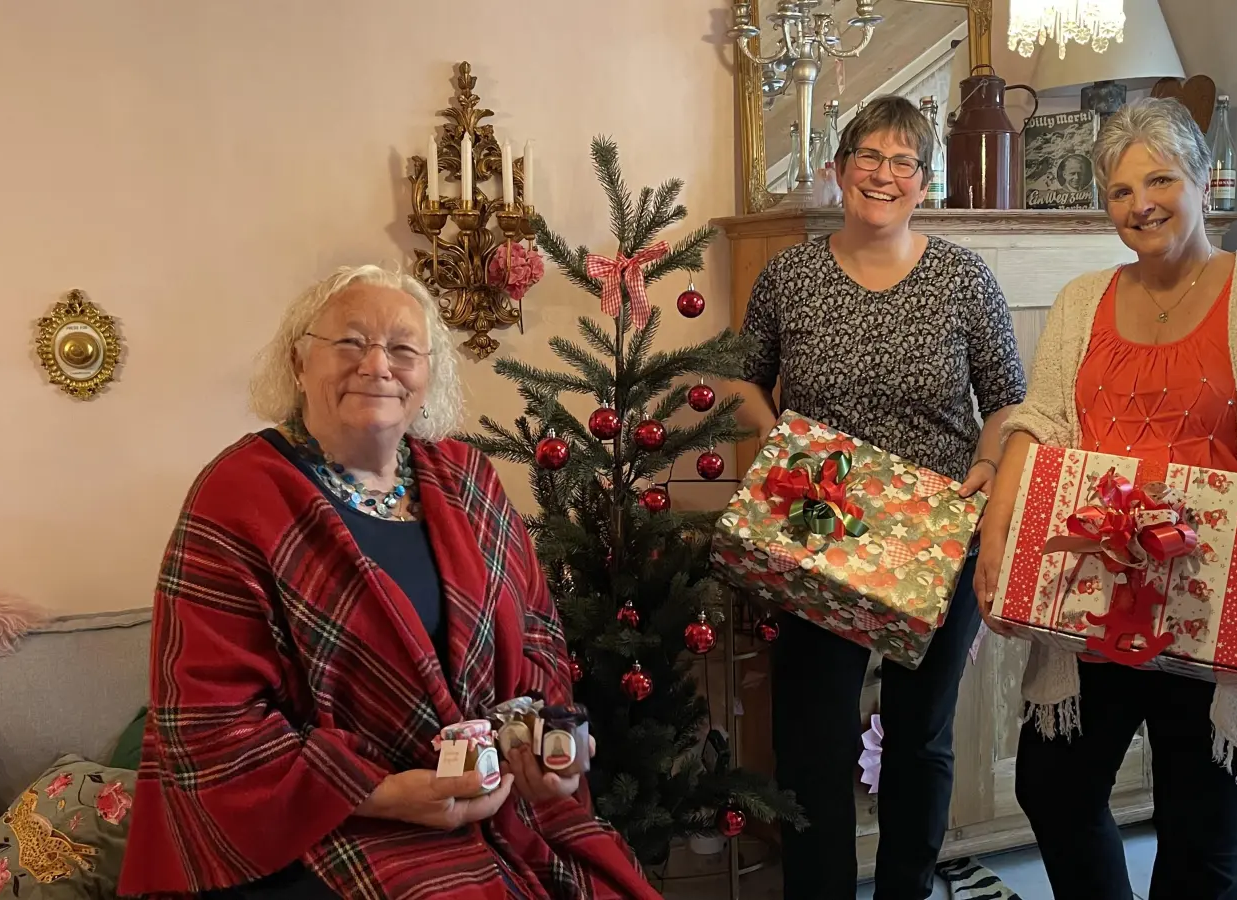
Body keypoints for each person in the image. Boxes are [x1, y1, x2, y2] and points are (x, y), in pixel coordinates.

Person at [118, 265, 658, 900]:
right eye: (349, 342)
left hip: (494, 801)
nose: (378, 365)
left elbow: (536, 635)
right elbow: (207, 723)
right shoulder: (237, 494)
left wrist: (543, 746)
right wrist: (379, 793)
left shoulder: (467, 478)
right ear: (298, 363)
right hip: (321, 825)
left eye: (403, 349)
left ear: (429, 375)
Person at [972, 97, 1237, 900]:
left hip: (1219, 606)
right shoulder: (1082, 301)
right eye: (1119, 191)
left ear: (1201, 185)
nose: (1140, 203)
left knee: (1202, 832)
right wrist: (1002, 549)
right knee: (1052, 786)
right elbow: (1036, 425)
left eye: (1160, 179)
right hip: (1095, 603)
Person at [726, 95, 1028, 900]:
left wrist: (990, 464)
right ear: (838, 171)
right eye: (869, 157)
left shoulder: (964, 277)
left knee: (920, 736)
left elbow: (1007, 398)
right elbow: (741, 380)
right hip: (819, 526)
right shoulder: (790, 275)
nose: (884, 175)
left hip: (937, 531)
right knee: (811, 737)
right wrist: (781, 448)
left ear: (923, 183)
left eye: (904, 162)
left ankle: (905, 889)